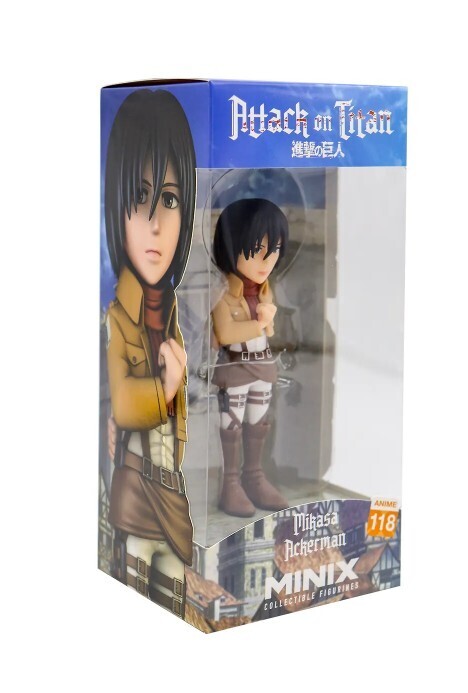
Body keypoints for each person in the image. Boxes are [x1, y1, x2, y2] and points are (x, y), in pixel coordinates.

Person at [104, 89, 196, 618]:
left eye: (170, 199)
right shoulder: (117, 318)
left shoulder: (173, 316)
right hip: (136, 490)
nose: (157, 223)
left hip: (174, 496)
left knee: (176, 600)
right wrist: (164, 389)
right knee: (132, 603)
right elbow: (121, 401)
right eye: (140, 196)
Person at [211, 198, 290, 517]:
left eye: (275, 250)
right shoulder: (222, 294)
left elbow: (270, 331)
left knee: (258, 420)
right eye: (258, 250)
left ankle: (254, 476)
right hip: (234, 367)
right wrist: (260, 322)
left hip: (263, 364)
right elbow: (226, 333)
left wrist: (267, 321)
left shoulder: (265, 289)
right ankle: (230, 482)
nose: (267, 261)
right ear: (233, 247)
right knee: (232, 422)